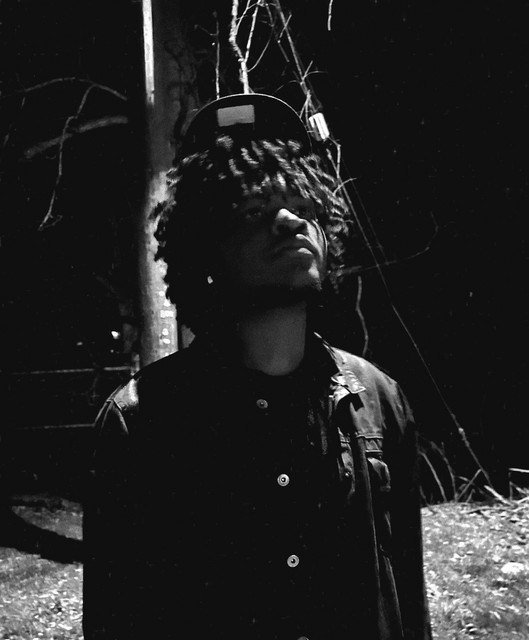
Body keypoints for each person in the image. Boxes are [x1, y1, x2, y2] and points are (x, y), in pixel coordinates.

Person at [82, 93, 432, 640]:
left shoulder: (380, 401)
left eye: (302, 205)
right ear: (207, 248)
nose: (290, 221)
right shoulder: (140, 423)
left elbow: (408, 601)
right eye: (254, 210)